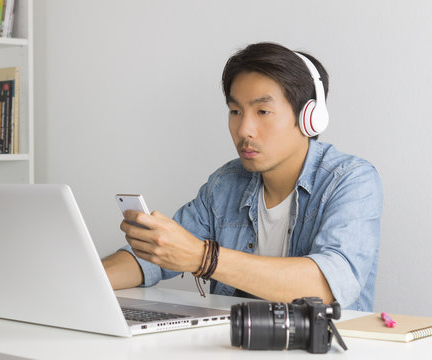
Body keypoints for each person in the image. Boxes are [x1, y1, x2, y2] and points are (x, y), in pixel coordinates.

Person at [102, 42, 382, 311]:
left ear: (310, 118)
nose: (244, 129)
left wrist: (204, 258)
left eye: (263, 111)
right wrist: (71, 284)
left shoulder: (351, 180)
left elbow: (327, 285)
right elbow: (151, 259)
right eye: (235, 111)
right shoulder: (225, 183)